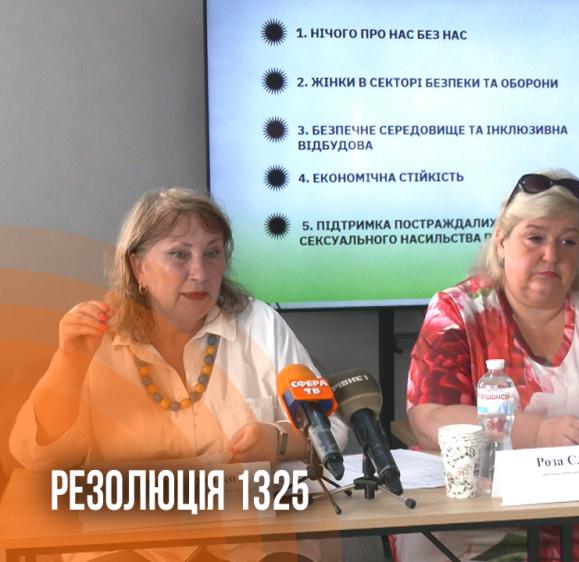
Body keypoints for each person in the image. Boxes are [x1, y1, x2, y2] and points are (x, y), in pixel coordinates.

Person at [10, 187, 348, 562]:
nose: (200, 272)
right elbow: (36, 457)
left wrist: (277, 439)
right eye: (179, 254)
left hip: (250, 541)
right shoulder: (98, 335)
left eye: (212, 253)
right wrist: (70, 363)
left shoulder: (260, 324)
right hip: (131, 543)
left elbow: (331, 431)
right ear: (138, 268)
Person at [401, 171, 579, 562]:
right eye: (535, 238)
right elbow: (430, 419)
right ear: (501, 241)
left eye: (568, 241)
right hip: (480, 517)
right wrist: (539, 432)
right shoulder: (457, 310)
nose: (552, 255)